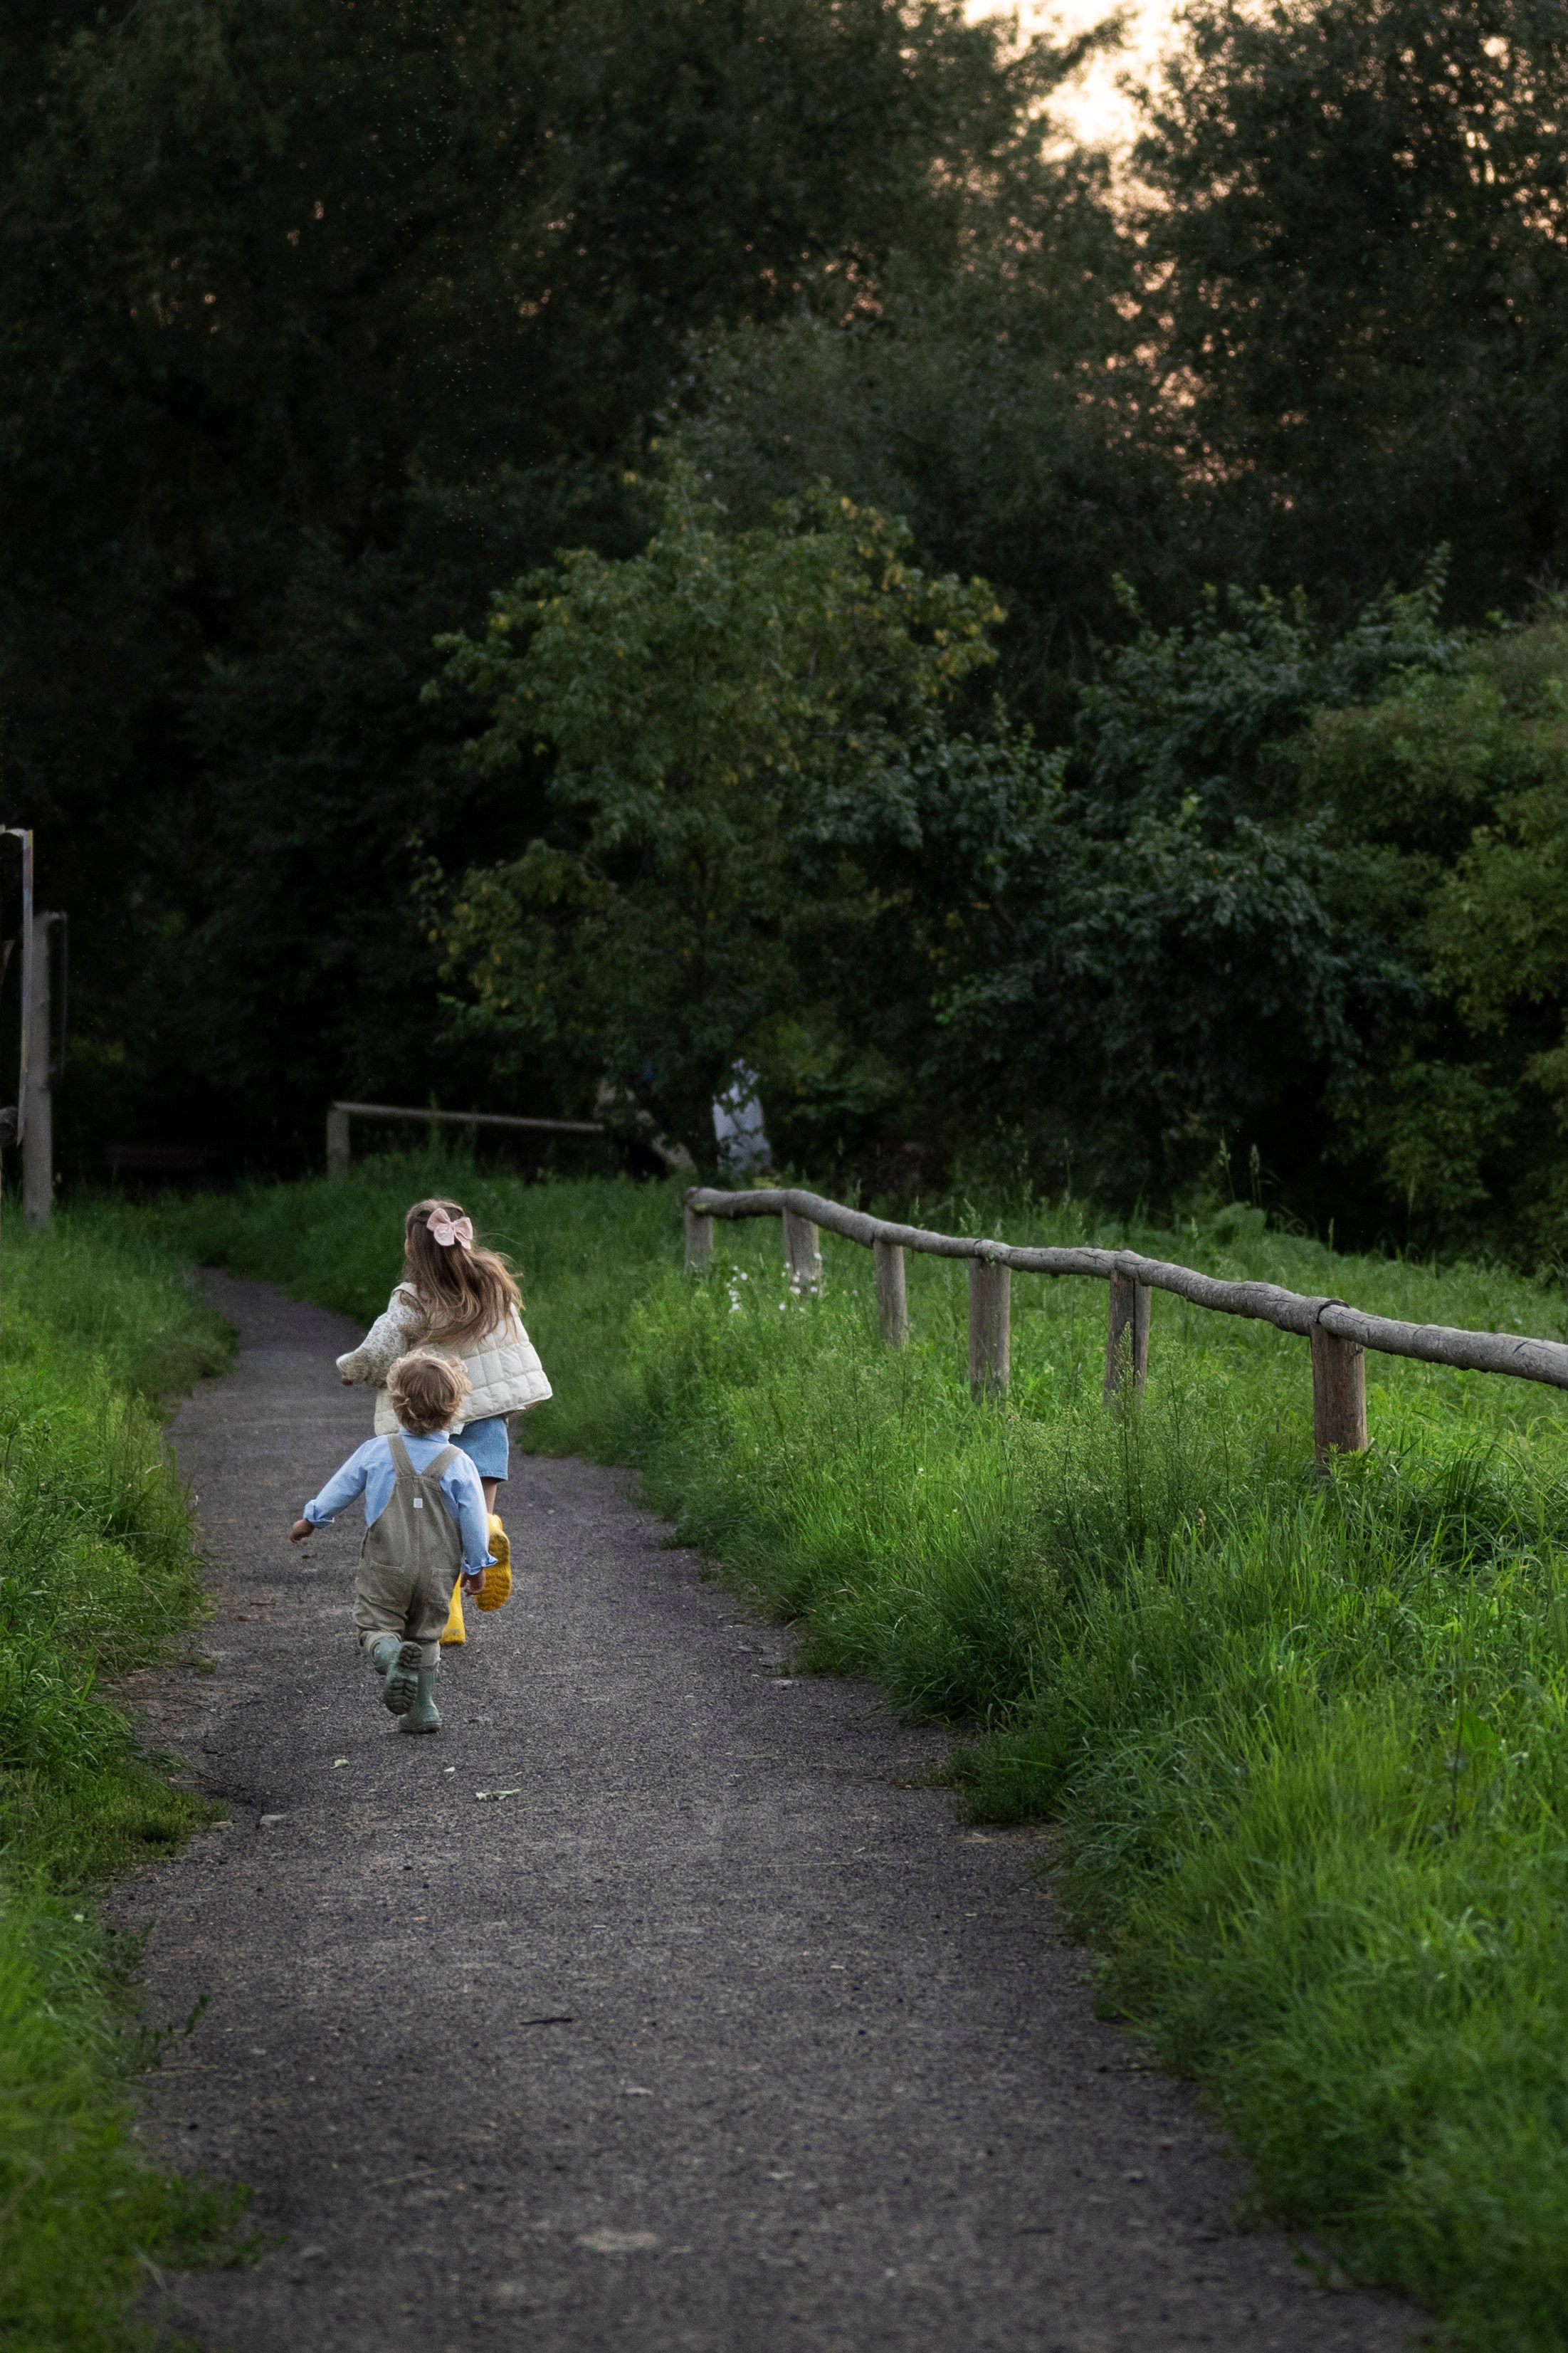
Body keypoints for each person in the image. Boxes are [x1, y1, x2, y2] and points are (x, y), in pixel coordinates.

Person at [335, 1196, 552, 1640]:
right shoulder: (491, 1283)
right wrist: (523, 1392)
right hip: (489, 1415)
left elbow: (381, 1350)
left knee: (438, 1533)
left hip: (439, 1424)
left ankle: (448, 1620)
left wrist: (352, 1370)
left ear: (411, 1249)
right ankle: (488, 1529)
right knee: (477, 1498)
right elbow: (515, 1344)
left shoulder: (411, 1298)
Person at [289, 1350, 492, 1734]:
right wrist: (476, 1566)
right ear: (454, 1408)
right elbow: (474, 1520)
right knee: (426, 1635)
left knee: (375, 1626)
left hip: (386, 1564)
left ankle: (391, 1655)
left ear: (397, 1405)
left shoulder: (378, 1451)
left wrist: (310, 1519)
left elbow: (341, 1489)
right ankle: (422, 1710)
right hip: (437, 1571)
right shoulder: (460, 1462)